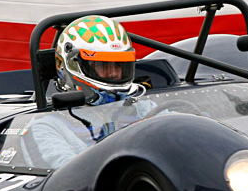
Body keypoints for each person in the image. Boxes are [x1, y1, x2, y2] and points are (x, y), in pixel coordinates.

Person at [27, 15, 154, 169]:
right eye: (102, 65)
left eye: (119, 65)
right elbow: (70, 176)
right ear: (72, 64)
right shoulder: (47, 126)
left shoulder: (144, 109)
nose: (113, 73)